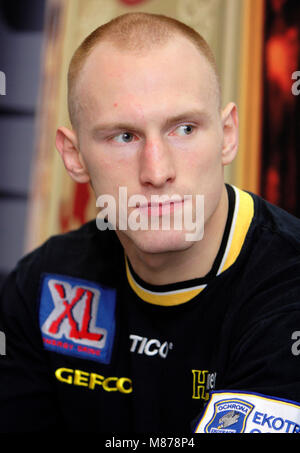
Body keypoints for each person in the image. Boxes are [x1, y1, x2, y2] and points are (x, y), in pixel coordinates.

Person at [0, 12, 300, 434]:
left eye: (184, 128)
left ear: (228, 134)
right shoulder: (44, 284)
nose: (157, 172)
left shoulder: (288, 291)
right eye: (124, 136)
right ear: (73, 156)